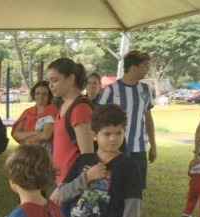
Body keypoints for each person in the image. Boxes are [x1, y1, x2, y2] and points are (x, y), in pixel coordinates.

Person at [97, 51, 157, 190]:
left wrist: (153, 145)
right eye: (145, 66)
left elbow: (148, 119)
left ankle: (134, 212)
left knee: (137, 188)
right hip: (115, 148)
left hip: (139, 148)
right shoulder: (111, 90)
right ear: (133, 67)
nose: (147, 69)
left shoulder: (145, 89)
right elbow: (98, 120)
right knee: (114, 186)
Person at [47, 58, 96, 186]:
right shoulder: (64, 105)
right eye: (49, 81)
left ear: (71, 79)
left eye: (55, 80)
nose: (50, 86)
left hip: (73, 182)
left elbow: (87, 155)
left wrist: (74, 185)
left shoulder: (80, 109)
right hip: (62, 180)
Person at [11, 81, 57, 150]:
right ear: (34, 95)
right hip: (27, 151)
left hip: (45, 152)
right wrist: (35, 132)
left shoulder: (53, 111)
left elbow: (45, 135)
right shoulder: (27, 112)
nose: (40, 96)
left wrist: (26, 139)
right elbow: (15, 134)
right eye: (37, 93)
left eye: (44, 94)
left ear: (49, 95)